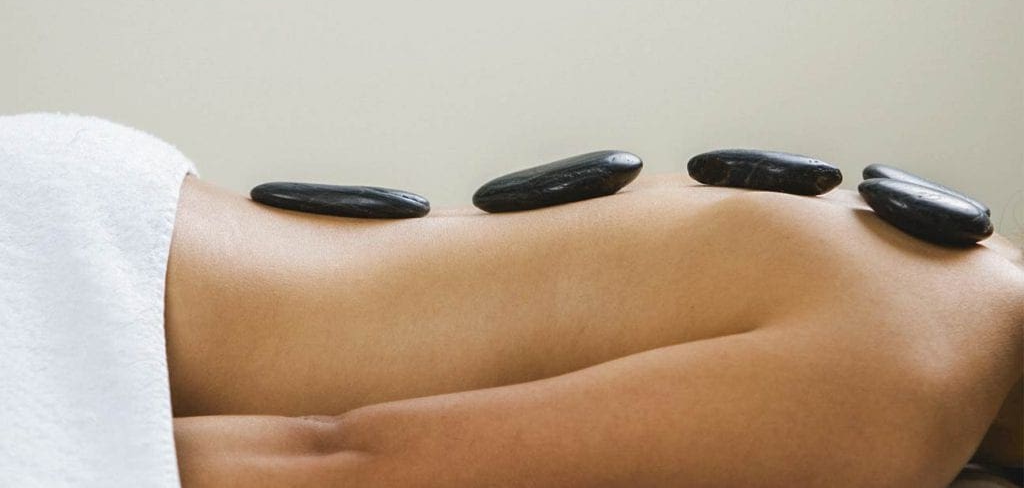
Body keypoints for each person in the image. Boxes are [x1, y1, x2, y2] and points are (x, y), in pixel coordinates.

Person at [166, 171, 1023, 487]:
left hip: (149, 234)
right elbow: (345, 459)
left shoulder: (976, 271)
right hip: (94, 300)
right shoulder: (903, 392)